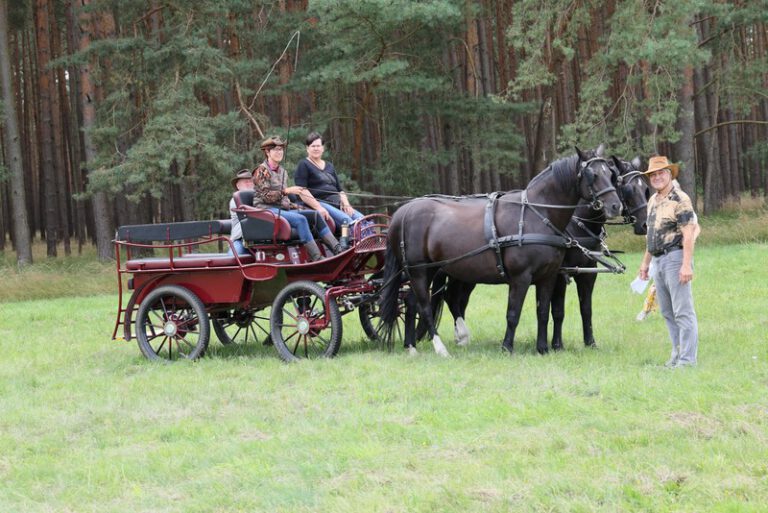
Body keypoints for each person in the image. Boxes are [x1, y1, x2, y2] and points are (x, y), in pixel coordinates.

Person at [637, 156, 699, 368]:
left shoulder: (680, 199)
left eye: (661, 173)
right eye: (653, 175)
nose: (657, 177)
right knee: (667, 312)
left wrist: (685, 265)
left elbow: (689, 234)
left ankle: (687, 361)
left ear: (670, 174)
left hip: (675, 258)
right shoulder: (653, 200)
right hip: (658, 260)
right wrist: (645, 264)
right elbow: (651, 235)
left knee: (683, 311)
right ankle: (676, 355)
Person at [252, 135, 342, 261]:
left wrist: (298, 206)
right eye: (276, 150)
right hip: (266, 210)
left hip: (282, 209)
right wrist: (286, 191)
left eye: (281, 149)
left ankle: (338, 249)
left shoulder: (282, 171)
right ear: (267, 152)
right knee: (300, 220)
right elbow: (266, 197)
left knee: (314, 215)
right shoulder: (261, 171)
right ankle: (317, 257)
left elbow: (284, 199)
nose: (279, 152)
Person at [636, 179, 701, 320]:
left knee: (681, 309)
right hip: (658, 257)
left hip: (676, 256)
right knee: (664, 305)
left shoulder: (683, 205)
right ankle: (646, 311)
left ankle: (685, 341)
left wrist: (687, 255)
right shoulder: (654, 204)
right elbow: (651, 238)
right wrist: (645, 263)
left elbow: (694, 229)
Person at [294, 132, 365, 232]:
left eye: (318, 146)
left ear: (322, 148)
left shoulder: (329, 166)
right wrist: (318, 207)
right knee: (347, 222)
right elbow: (302, 191)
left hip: (336, 202)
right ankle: (348, 244)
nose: (316, 148)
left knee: (363, 220)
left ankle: (370, 245)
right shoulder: (303, 164)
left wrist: (346, 204)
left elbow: (340, 190)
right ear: (307, 148)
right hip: (319, 202)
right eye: (313, 146)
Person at [227, 168, 255, 256]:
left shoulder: (259, 197)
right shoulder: (236, 199)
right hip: (241, 239)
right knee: (233, 258)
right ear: (238, 186)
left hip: (261, 240)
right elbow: (254, 213)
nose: (249, 183)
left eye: (251, 181)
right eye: (245, 182)